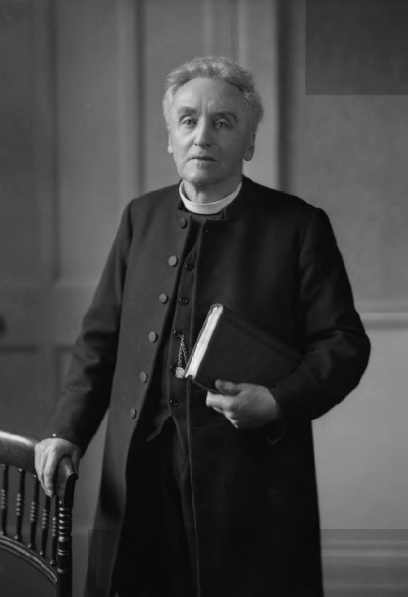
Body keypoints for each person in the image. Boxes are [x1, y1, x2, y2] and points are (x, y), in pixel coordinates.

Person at [35, 56, 370, 597]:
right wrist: (65, 430)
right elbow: (101, 339)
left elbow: (344, 344)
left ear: (250, 142)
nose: (202, 136)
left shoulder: (299, 226)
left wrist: (277, 402)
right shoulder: (139, 218)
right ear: (170, 137)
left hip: (247, 478)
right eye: (188, 120)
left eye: (223, 122)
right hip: (138, 467)